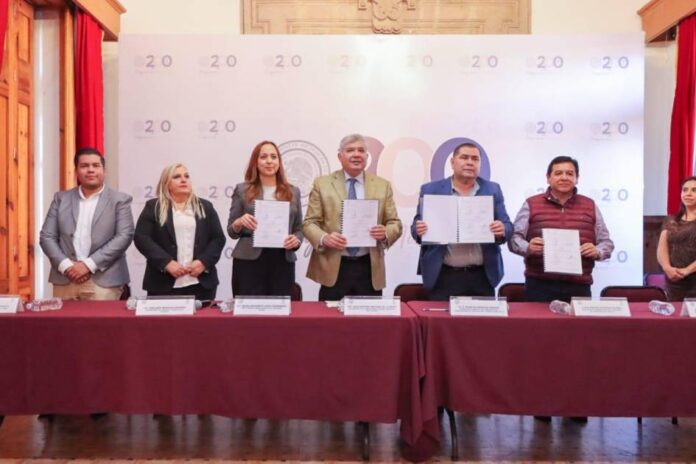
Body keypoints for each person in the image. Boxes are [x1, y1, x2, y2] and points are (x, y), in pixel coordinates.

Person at [302, 133, 402, 300]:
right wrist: (324, 238)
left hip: (369, 267)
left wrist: (385, 232)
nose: (356, 154)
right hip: (334, 267)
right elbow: (309, 223)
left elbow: (395, 223)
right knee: (331, 316)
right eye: (350, 150)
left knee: (369, 317)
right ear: (340, 156)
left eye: (361, 150)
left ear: (367, 156)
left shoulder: (382, 185)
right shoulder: (322, 184)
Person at [411, 142, 512, 300]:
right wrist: (418, 230)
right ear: (452, 162)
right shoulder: (431, 190)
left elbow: (508, 225)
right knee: (442, 317)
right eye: (464, 157)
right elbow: (416, 225)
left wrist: (502, 229)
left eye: (475, 159)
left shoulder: (492, 189)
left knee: (482, 316)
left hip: (482, 275)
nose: (470, 162)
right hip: (443, 274)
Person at [509, 155, 614, 303]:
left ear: (577, 178)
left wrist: (597, 251)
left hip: (579, 286)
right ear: (548, 178)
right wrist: (528, 248)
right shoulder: (531, 204)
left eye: (570, 173)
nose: (564, 178)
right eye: (558, 173)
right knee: (538, 319)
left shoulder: (590, 205)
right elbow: (514, 238)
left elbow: (606, 242)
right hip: (539, 285)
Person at [39, 147, 134, 300]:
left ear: (104, 171)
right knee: (63, 318)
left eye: (96, 165)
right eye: (84, 166)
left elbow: (124, 236)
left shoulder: (120, 200)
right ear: (76, 171)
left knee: (102, 318)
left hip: (104, 281)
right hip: (65, 279)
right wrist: (66, 266)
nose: (90, 170)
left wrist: (88, 265)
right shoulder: (61, 199)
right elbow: (47, 237)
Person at [134, 163, 225, 302]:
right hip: (162, 284)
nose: (183, 180)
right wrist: (166, 263)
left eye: (186, 176)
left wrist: (203, 262)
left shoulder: (205, 206)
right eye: (177, 177)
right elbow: (142, 238)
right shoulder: (153, 207)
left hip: (201, 285)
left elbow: (218, 238)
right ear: (166, 183)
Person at [227, 141, 303, 296]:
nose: (269, 161)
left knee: (280, 308)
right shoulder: (242, 190)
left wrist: (296, 240)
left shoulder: (293, 191)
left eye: (274, 157)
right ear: (255, 162)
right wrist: (239, 222)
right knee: (248, 308)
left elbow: (299, 228)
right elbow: (231, 231)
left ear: (279, 162)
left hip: (282, 261)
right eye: (263, 157)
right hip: (249, 261)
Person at [657, 176, 696, 301]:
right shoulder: (671, 220)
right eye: (685, 190)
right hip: (674, 283)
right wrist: (667, 268)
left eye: (694, 190)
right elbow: (662, 248)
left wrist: (686, 271)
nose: (688, 193)